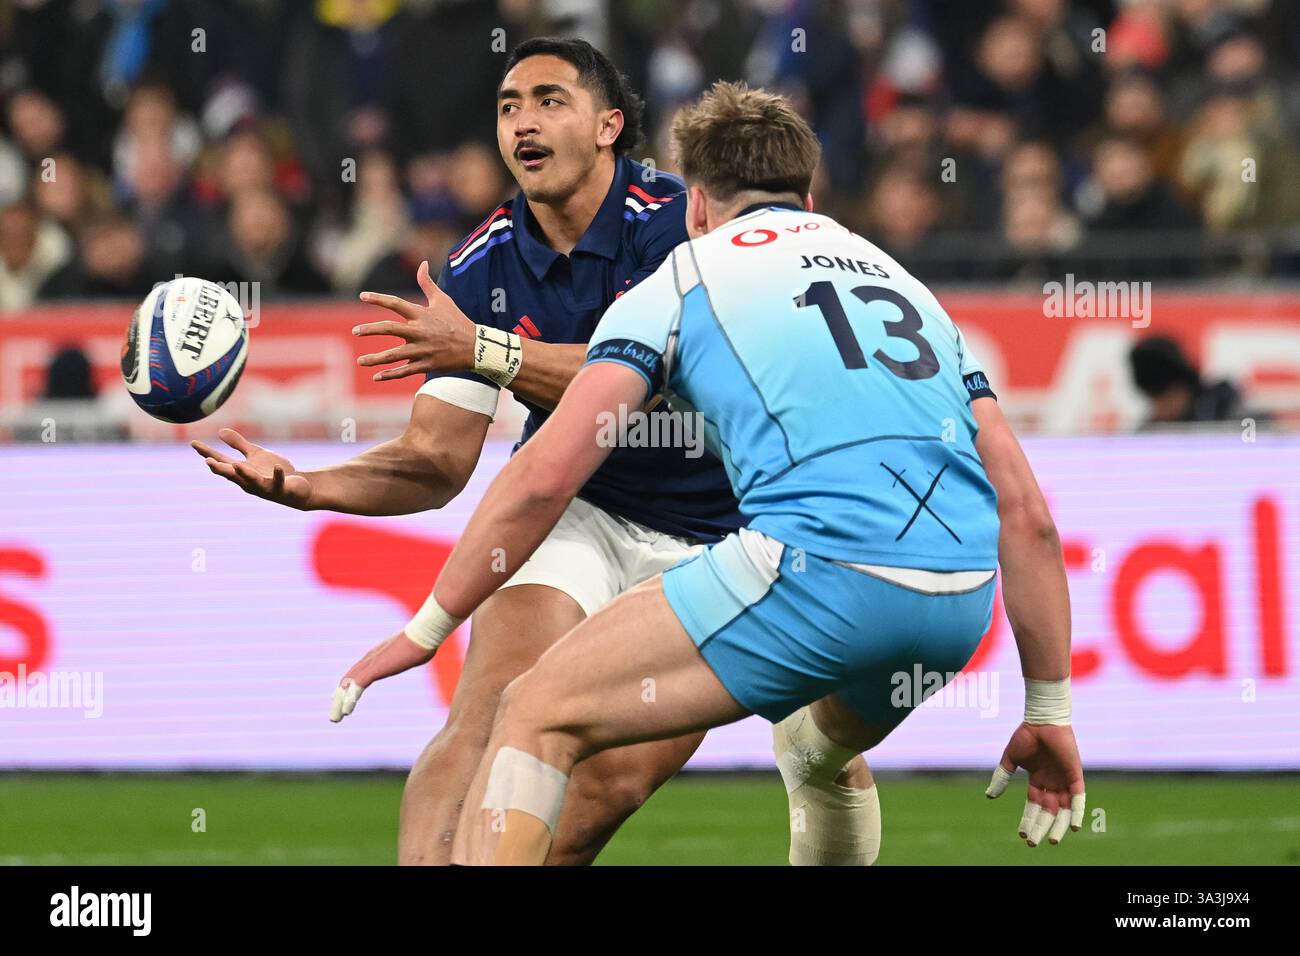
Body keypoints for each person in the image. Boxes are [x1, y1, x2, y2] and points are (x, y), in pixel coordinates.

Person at [338, 80, 1085, 865]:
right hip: (958, 603)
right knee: (816, 754)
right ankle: (813, 749)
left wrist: (428, 628)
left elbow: (544, 476)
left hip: (821, 572)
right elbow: (1028, 515)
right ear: (808, 195)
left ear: (695, 205)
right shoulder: (906, 287)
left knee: (531, 712)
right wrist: (1049, 708)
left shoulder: (683, 278)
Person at [197, 40, 867, 866]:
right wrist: (310, 484)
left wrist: (486, 349)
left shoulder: (683, 222)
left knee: (609, 781)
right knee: (487, 713)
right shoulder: (480, 265)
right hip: (575, 507)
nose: (523, 122)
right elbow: (437, 460)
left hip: (719, 537)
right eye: (509, 106)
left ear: (609, 126)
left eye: (550, 100)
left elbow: (650, 377)